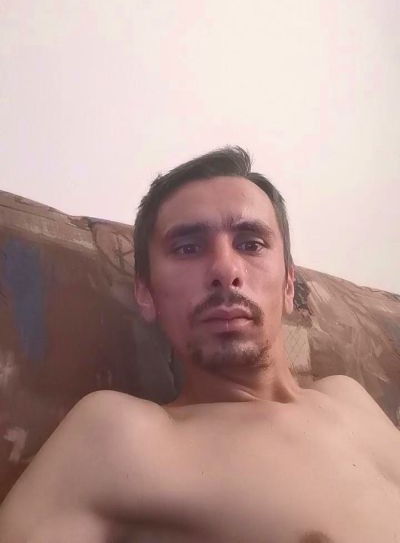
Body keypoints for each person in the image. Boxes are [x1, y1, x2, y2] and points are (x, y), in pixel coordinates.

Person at [0, 146, 399, 543]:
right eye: (187, 248)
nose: (225, 269)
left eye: (251, 243)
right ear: (146, 293)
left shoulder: (348, 395)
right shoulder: (120, 434)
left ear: (289, 285)